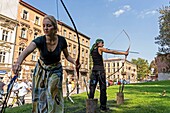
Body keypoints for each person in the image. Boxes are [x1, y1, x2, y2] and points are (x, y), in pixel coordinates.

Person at [12, 15, 79, 113]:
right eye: (44, 26)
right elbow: (27, 51)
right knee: (40, 96)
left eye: (48, 25)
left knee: (52, 93)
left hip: (56, 70)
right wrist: (18, 62)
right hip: (41, 69)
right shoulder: (40, 40)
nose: (45, 28)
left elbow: (67, 56)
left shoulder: (61, 40)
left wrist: (74, 62)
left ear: (55, 27)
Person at [89, 39, 128, 112]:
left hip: (94, 71)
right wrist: (124, 53)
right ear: (99, 43)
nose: (103, 45)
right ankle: (103, 107)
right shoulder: (99, 48)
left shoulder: (92, 50)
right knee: (103, 89)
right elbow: (113, 52)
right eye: (102, 43)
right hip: (100, 71)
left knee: (92, 88)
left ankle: (90, 106)